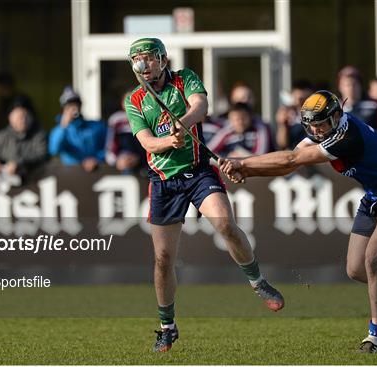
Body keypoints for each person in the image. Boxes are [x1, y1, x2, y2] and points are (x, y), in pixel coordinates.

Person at [220, 90, 377, 354]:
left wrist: (242, 163)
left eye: (321, 123)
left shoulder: (347, 137)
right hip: (374, 195)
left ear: (337, 115)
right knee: (356, 269)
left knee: (374, 259)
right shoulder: (322, 130)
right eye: (311, 125)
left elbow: (292, 159)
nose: (316, 130)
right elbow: (289, 164)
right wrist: (248, 171)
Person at [124, 37, 284, 353]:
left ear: (162, 60)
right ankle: (167, 326)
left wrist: (182, 125)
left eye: (148, 58)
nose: (144, 65)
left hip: (198, 172)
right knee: (163, 259)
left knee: (226, 225)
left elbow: (201, 106)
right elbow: (145, 141)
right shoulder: (135, 99)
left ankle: (257, 281)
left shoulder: (185, 78)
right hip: (163, 182)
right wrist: (166, 143)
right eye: (138, 60)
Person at [0, 99, 48, 183]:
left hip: (33, 184)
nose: (22, 120)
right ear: (10, 118)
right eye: (19, 117)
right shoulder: (2, 136)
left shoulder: (38, 135)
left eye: (25, 116)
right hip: (4, 189)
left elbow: (42, 156)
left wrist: (20, 164)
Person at [49, 86, 107, 172]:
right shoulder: (60, 130)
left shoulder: (96, 126)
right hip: (71, 175)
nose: (73, 108)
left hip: (95, 173)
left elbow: (108, 148)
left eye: (76, 104)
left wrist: (96, 159)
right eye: (68, 105)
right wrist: (63, 125)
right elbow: (54, 150)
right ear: (63, 109)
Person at [208, 102, 273, 158]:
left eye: (243, 118)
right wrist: (227, 155)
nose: (240, 122)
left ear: (250, 116)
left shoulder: (260, 129)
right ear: (230, 119)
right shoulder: (226, 132)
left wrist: (242, 158)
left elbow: (261, 154)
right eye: (236, 119)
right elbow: (209, 151)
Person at [105, 92, 145, 174]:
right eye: (127, 100)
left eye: (133, 99)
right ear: (122, 103)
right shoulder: (116, 119)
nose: (130, 103)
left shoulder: (146, 117)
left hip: (145, 161)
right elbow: (110, 143)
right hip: (124, 160)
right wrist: (116, 160)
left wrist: (140, 158)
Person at [337, 66, 377, 131]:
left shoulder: (374, 106)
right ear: (339, 87)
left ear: (360, 85)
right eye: (347, 84)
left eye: (354, 84)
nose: (351, 88)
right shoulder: (334, 109)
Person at [275, 79, 314, 150]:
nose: (300, 102)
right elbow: (282, 144)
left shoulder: (317, 112)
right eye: (298, 99)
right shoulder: (286, 113)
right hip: (293, 153)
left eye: (304, 99)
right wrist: (282, 125)